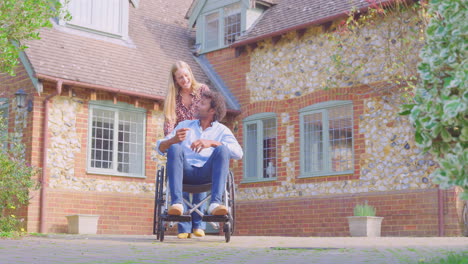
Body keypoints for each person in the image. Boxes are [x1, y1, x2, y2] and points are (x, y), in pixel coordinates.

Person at [156, 91, 243, 237]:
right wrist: (172, 140)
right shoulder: (184, 125)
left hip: (207, 176)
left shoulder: (222, 130)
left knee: (222, 149)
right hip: (184, 173)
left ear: (212, 111)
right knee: (175, 148)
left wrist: (212, 143)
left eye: (202, 104)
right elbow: (159, 147)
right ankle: (177, 203)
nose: (197, 105)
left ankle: (215, 203)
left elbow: (238, 153)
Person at [163, 61, 210, 239]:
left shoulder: (203, 91)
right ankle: (183, 227)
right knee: (179, 172)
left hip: (199, 142)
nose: (184, 79)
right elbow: (169, 125)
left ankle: (198, 224)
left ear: (190, 72)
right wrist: (171, 140)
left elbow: (210, 115)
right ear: (175, 80)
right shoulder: (172, 99)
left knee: (200, 173)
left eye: (186, 75)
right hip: (182, 144)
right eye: (180, 77)